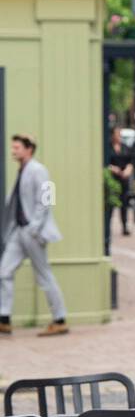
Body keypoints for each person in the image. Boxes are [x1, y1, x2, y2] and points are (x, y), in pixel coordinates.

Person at [1, 134, 68, 337]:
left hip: (32, 232)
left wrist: (34, 227)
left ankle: (60, 319)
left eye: (17, 147)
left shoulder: (38, 170)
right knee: (3, 272)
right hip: (19, 232)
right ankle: (3, 319)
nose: (13, 151)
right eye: (12, 148)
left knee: (44, 275)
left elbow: (48, 198)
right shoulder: (22, 170)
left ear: (29, 149)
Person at [108, 127, 134, 236]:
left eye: (120, 134)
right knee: (111, 204)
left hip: (124, 179)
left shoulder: (126, 147)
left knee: (124, 204)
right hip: (113, 180)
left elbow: (131, 161)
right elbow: (104, 162)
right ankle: (107, 228)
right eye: (117, 133)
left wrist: (128, 170)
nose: (119, 136)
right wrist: (113, 169)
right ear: (112, 135)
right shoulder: (107, 147)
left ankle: (124, 226)